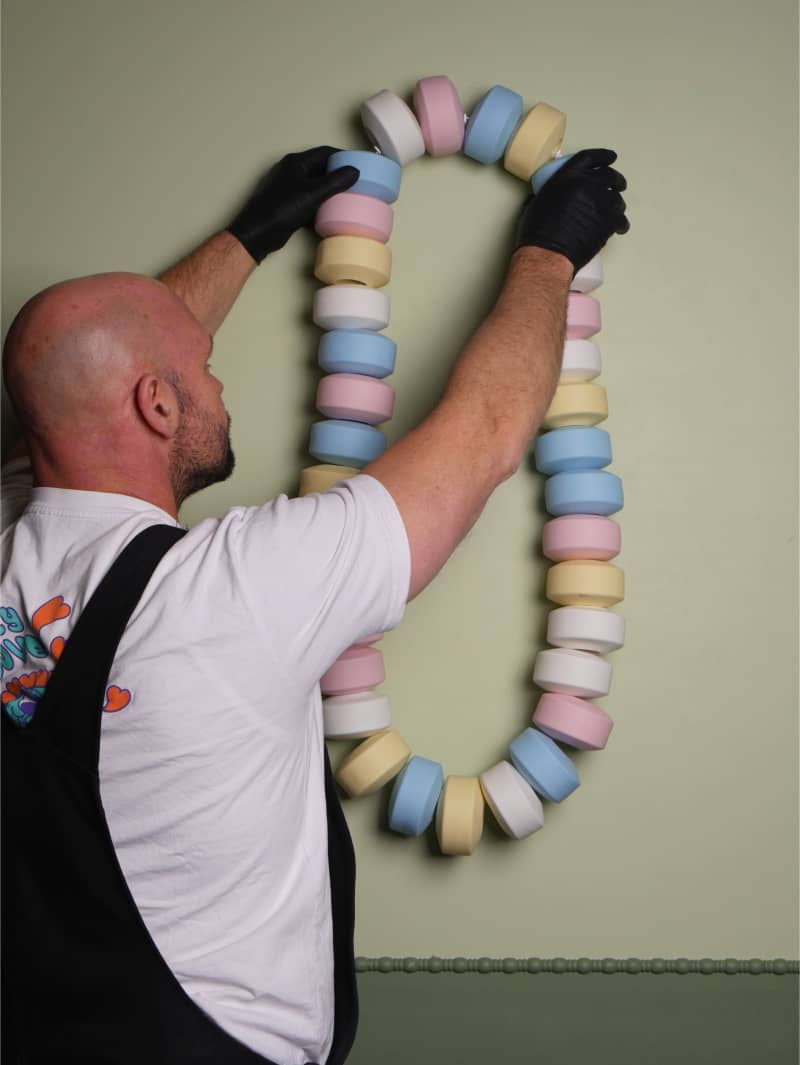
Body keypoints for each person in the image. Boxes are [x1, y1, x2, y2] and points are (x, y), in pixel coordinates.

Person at [1, 144, 628, 1064]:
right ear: (159, 407)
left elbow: (83, 378)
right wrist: (550, 253)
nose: (216, 377)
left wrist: (246, 239)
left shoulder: (16, 522)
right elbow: (485, 432)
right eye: (199, 366)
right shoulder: (228, 591)